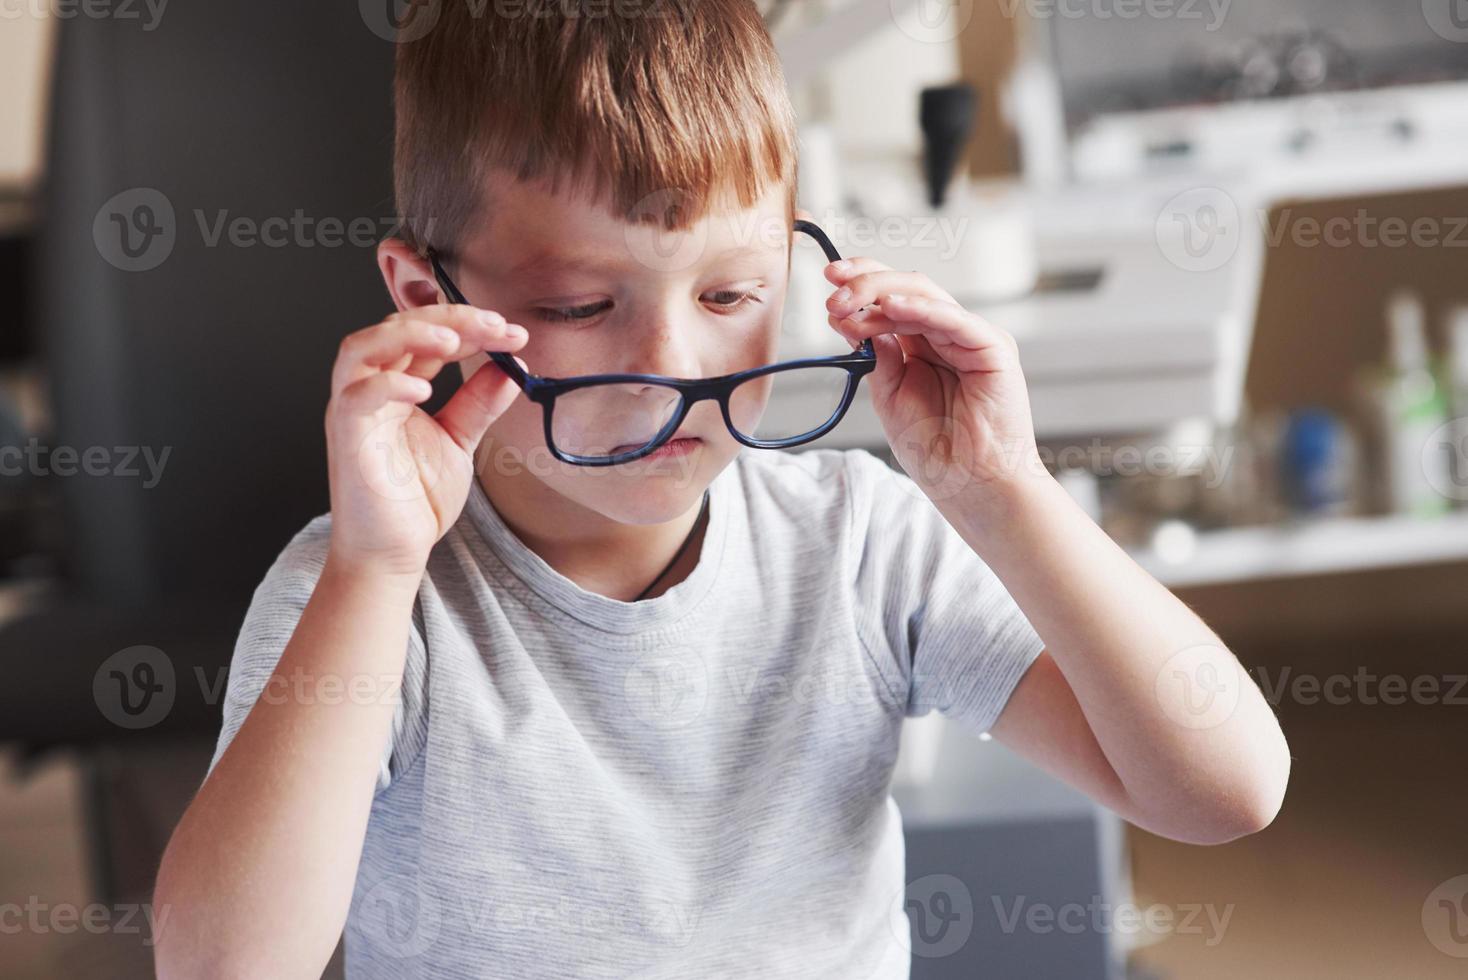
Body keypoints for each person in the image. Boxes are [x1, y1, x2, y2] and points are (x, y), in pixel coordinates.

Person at [153, 3, 1290, 977]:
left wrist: (1005, 490)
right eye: (583, 307)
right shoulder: (358, 591)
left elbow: (1224, 788)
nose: (678, 374)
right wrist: (376, 568)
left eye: (731, 292)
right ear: (423, 293)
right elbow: (222, 961)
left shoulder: (858, 543)